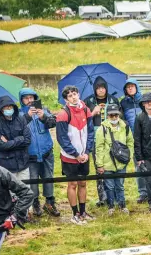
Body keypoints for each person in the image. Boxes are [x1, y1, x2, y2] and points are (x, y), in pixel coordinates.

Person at [56, 85, 95, 225]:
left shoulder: (86, 110)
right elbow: (62, 138)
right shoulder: (63, 114)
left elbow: (90, 133)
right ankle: (75, 213)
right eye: (70, 95)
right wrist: (75, 154)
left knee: (83, 183)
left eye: (74, 94)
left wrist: (87, 151)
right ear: (66, 99)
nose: (73, 97)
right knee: (72, 184)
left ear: (78, 94)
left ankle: (83, 212)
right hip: (69, 157)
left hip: (84, 155)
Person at [19, 88, 60, 217]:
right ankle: (35, 203)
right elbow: (17, 129)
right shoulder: (19, 114)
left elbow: (53, 123)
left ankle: (49, 202)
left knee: (48, 178)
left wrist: (43, 116)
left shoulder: (44, 109)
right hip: (30, 156)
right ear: (22, 100)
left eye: (32, 97)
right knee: (33, 181)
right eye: (26, 98)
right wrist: (28, 117)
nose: (29, 100)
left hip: (46, 152)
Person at [84, 76, 119, 207]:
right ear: (95, 89)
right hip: (95, 138)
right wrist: (92, 113)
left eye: (103, 88)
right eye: (98, 88)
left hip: (112, 138)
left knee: (114, 165)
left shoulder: (113, 100)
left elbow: (120, 118)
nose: (101, 90)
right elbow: (83, 120)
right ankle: (102, 196)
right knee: (100, 167)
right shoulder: (88, 101)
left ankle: (115, 194)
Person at [95, 104, 133, 215]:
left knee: (120, 185)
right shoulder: (102, 129)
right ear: (107, 116)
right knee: (109, 186)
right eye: (111, 115)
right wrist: (100, 165)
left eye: (116, 115)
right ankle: (110, 206)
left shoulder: (125, 126)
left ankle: (122, 205)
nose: (114, 117)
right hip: (107, 163)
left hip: (121, 162)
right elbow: (99, 148)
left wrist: (129, 155)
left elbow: (130, 141)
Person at [119, 78, 151, 204]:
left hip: (147, 138)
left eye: (132, 86)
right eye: (128, 87)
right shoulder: (123, 103)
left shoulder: (145, 100)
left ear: (137, 87)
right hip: (133, 139)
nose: (130, 88)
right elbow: (121, 120)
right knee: (139, 165)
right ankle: (143, 193)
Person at [0, 96, 31, 181]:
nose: (9, 108)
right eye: (6, 107)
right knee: (11, 193)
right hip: (7, 166)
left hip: (23, 163)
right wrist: (20, 139)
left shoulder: (21, 119)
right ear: (1, 109)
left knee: (26, 190)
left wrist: (10, 142)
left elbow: (27, 140)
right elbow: (2, 146)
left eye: (10, 106)